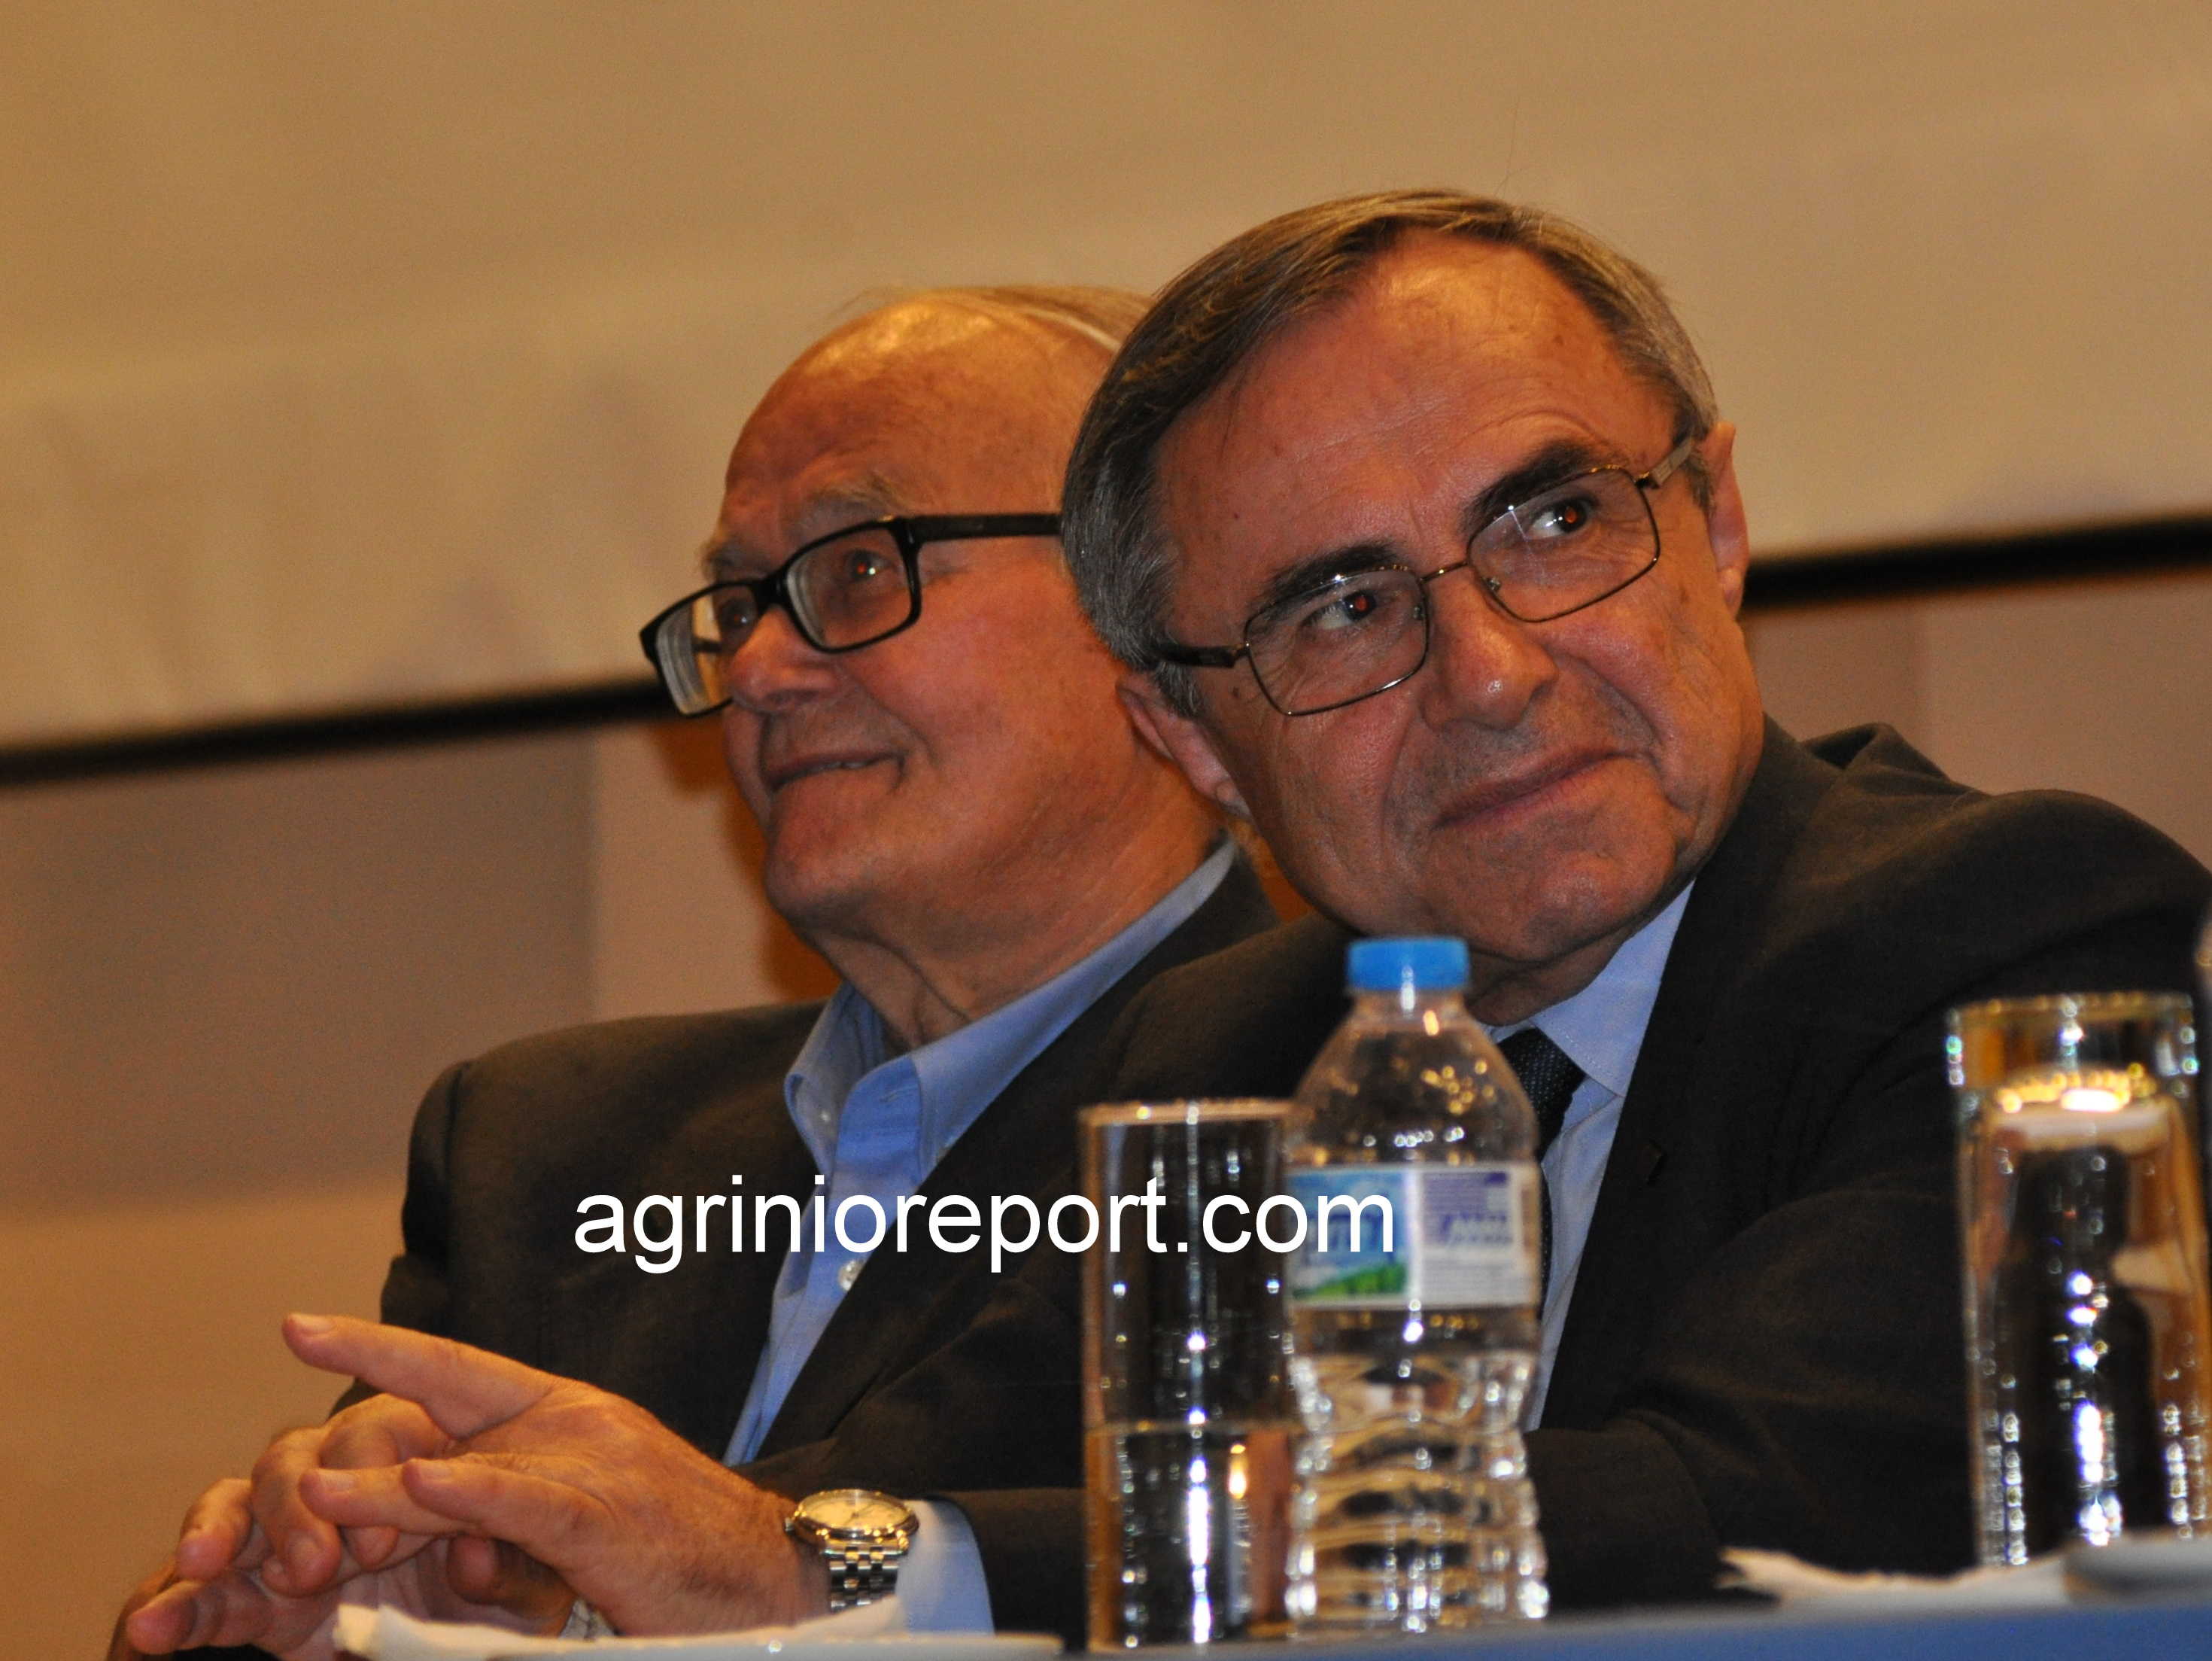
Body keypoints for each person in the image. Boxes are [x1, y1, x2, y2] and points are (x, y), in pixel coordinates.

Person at [1054, 191, 2212, 1605]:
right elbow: (963, 1483)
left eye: (1556, 522)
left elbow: (1742, 1505)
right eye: (1346, 608)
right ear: (1191, 742)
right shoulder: (1210, 1063)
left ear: (1716, 524)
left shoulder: (2006, 934)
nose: (1491, 675)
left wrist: (1183, 1528)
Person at [114, 285, 1275, 1658]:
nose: (765, 667)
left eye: (858, 569)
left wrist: (709, 1571)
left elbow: (1317, 1577)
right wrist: (285, 1607)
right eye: (740, 602)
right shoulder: (541, 1148)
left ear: (1149, 612)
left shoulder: (1351, 1098)